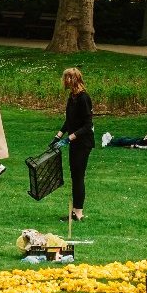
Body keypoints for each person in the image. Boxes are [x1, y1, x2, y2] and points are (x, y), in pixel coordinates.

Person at [54, 67, 94, 222]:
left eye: (66, 78)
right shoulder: (72, 97)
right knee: (74, 176)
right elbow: (70, 120)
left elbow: (87, 124)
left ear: (72, 79)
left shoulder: (84, 98)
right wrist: (58, 135)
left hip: (83, 143)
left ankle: (78, 213)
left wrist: (69, 138)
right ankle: (75, 211)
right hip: (74, 142)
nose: (64, 81)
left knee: (78, 177)